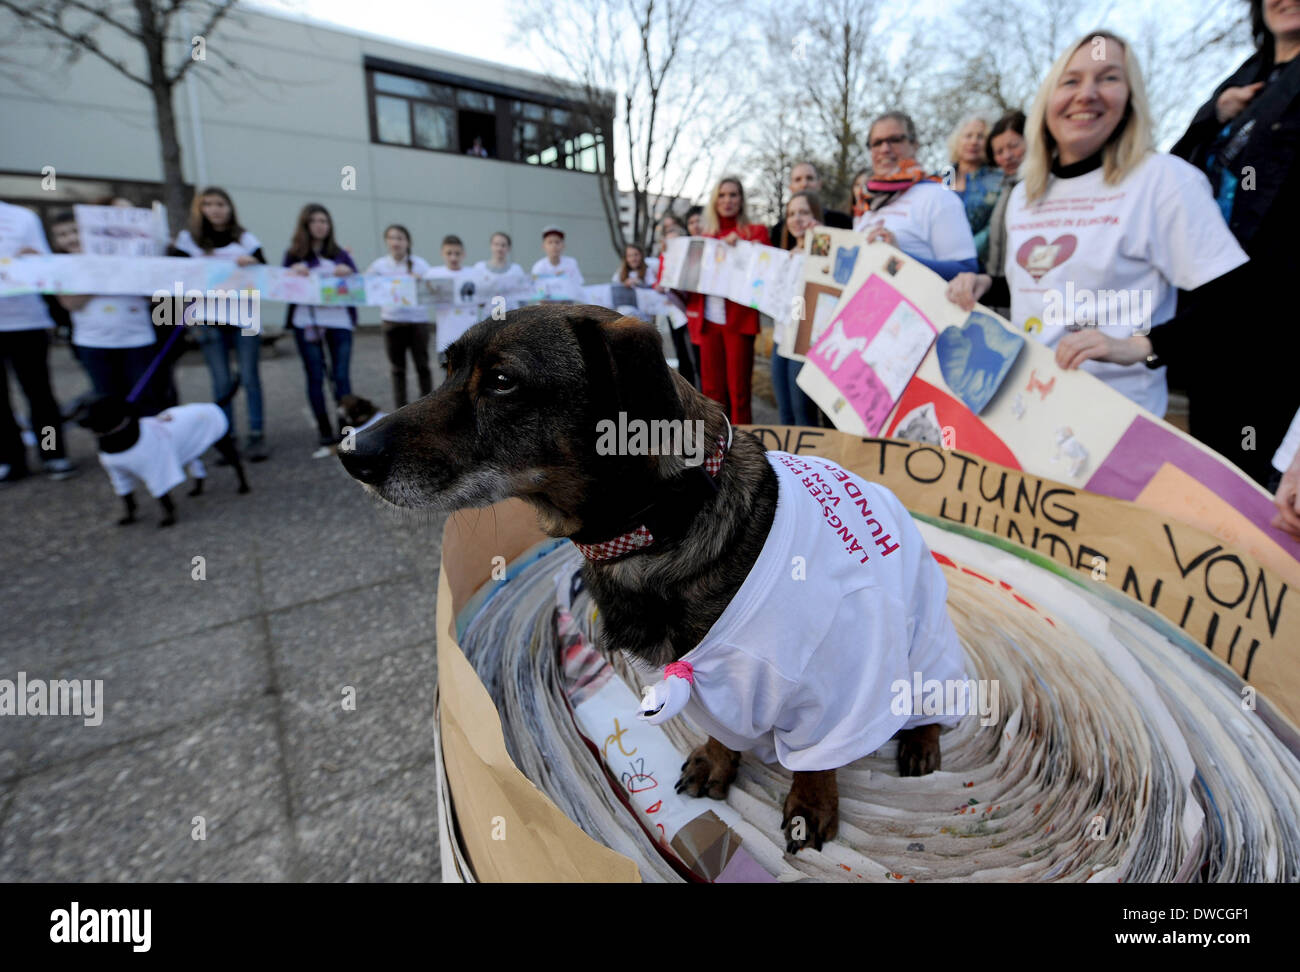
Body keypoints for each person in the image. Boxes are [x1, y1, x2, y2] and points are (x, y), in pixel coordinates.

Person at [945, 31, 1249, 427]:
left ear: (1130, 99)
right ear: (1047, 101)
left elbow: (1233, 300)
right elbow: (1051, 284)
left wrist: (1141, 347)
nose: (1086, 94)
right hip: (1025, 412)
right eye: (1070, 81)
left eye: (1108, 78)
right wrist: (990, 284)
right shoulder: (1025, 194)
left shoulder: (1165, 180)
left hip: (1115, 428)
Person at [1158, 0, 1300, 485]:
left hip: (1276, 313)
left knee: (1260, 474)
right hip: (1214, 306)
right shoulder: (1244, 78)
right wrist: (1214, 114)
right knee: (1210, 469)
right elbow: (1175, 172)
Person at [171, 187, 268, 460]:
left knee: (250, 378)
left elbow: (265, 271)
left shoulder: (245, 238)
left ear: (230, 207)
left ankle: (257, 434)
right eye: (209, 204)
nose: (215, 209)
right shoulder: (189, 240)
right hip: (208, 319)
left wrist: (253, 262)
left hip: (244, 317)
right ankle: (227, 437)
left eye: (221, 204)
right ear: (200, 209)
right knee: (221, 381)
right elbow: (174, 273)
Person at [48, 211, 160, 412]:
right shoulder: (61, 266)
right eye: (62, 235)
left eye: (75, 231)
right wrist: (101, 276)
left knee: (145, 400)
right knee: (107, 401)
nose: (71, 238)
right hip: (93, 343)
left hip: (138, 340)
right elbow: (71, 304)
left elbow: (152, 296)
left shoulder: (126, 258)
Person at [684, 177, 770, 424]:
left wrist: (746, 249)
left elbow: (766, 274)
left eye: (733, 195)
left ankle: (744, 451)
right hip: (708, 321)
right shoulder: (705, 236)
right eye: (722, 195)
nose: (727, 200)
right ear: (714, 200)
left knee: (739, 392)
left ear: (741, 199)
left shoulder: (756, 232)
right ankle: (717, 450)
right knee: (712, 393)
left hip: (738, 321)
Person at [0, 200, 75, 482]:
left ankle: (53, 453)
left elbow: (46, 262)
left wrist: (32, 258)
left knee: (39, 392)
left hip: (26, 319)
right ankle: (9, 458)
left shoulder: (23, 217)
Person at [853, 112, 978, 281]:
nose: (884, 149)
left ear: (914, 145)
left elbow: (967, 271)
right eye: (876, 143)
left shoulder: (939, 196)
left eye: (895, 140)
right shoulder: (867, 201)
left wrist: (900, 257)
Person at [283, 203, 358, 455]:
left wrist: (349, 271)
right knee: (315, 376)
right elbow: (280, 284)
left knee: (341, 376)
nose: (320, 225)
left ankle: (345, 428)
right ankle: (324, 431)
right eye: (314, 221)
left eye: (324, 221)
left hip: (339, 322)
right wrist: (292, 272)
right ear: (305, 224)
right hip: (307, 322)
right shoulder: (294, 254)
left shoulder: (340, 253)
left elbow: (360, 286)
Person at [366, 225, 432, 409]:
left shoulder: (420, 264)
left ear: (408, 242)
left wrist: (421, 282)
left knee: (423, 367)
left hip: (418, 321)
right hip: (391, 321)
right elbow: (364, 286)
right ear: (387, 241)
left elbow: (434, 290)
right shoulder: (379, 266)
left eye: (400, 238)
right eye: (392, 238)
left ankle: (426, 408)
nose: (396, 242)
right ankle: (400, 409)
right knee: (397, 370)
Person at [771, 191, 822, 426]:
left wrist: (821, 238)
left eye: (804, 212)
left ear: (815, 215)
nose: (797, 219)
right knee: (785, 413)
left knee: (803, 415)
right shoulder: (787, 256)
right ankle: (788, 463)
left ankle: (808, 462)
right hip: (780, 339)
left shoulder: (822, 253)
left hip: (803, 344)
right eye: (791, 213)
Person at [982, 110, 1027, 311]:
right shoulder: (1003, 188)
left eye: (1014, 146)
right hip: (997, 294)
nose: (1007, 156)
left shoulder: (1035, 186)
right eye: (999, 152)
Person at [946, 115, 1005, 267]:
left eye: (980, 137)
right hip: (936, 259)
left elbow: (995, 225)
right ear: (957, 140)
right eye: (968, 136)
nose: (973, 141)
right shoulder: (942, 176)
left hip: (978, 262)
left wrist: (967, 252)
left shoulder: (998, 179)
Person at [655, 215, 698, 389]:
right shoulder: (664, 257)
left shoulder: (690, 257)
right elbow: (659, 279)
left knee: (694, 355)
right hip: (674, 312)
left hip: (690, 310)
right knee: (682, 353)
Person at [426, 234, 482, 364]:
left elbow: (483, 301)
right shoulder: (433, 274)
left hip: (471, 338)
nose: (453, 257)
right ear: (442, 254)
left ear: (464, 254)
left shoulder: (474, 273)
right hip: (446, 340)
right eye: (449, 253)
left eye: (457, 253)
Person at [769, 162, 852, 247]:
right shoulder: (777, 232)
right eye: (798, 179)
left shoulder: (843, 223)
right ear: (791, 187)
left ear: (819, 184)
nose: (804, 184)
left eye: (809, 178)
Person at [472, 231, 531, 313]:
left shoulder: (516, 269)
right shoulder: (479, 268)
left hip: (511, 319)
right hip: (486, 320)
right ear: (491, 246)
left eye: (503, 245)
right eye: (496, 244)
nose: (499, 248)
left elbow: (523, 299)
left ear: (509, 248)